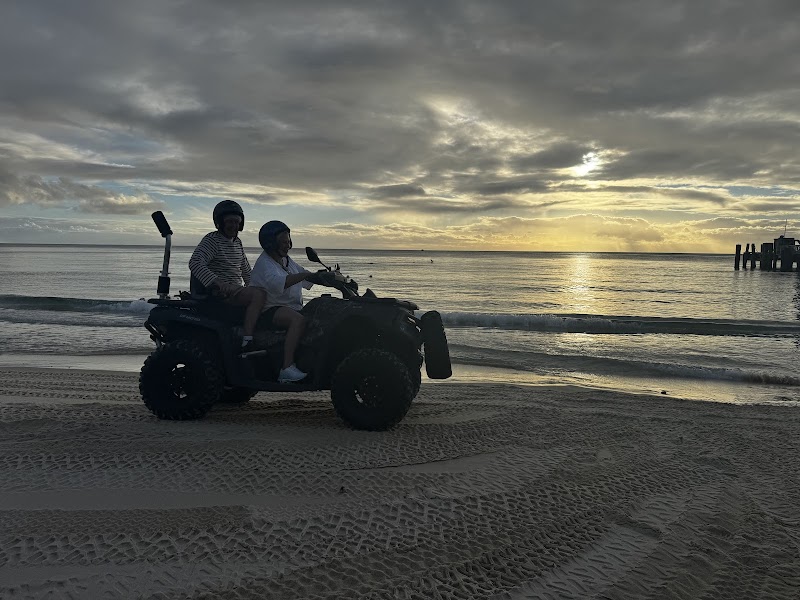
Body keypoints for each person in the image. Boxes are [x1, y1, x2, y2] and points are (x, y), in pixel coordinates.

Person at [188, 200, 265, 350]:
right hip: (220, 293)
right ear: (220, 222)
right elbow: (195, 262)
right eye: (229, 221)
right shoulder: (212, 240)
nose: (233, 225)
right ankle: (247, 340)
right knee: (258, 296)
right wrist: (218, 283)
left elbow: (246, 271)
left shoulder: (237, 242)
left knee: (265, 294)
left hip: (237, 290)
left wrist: (256, 285)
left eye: (237, 222)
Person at [250, 220, 315, 383]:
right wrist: (305, 275)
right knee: (298, 320)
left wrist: (329, 277)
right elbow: (281, 282)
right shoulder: (265, 263)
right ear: (271, 243)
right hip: (268, 310)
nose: (288, 246)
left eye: (289, 242)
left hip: (288, 307)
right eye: (284, 242)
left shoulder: (286, 260)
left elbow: (303, 274)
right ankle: (286, 368)